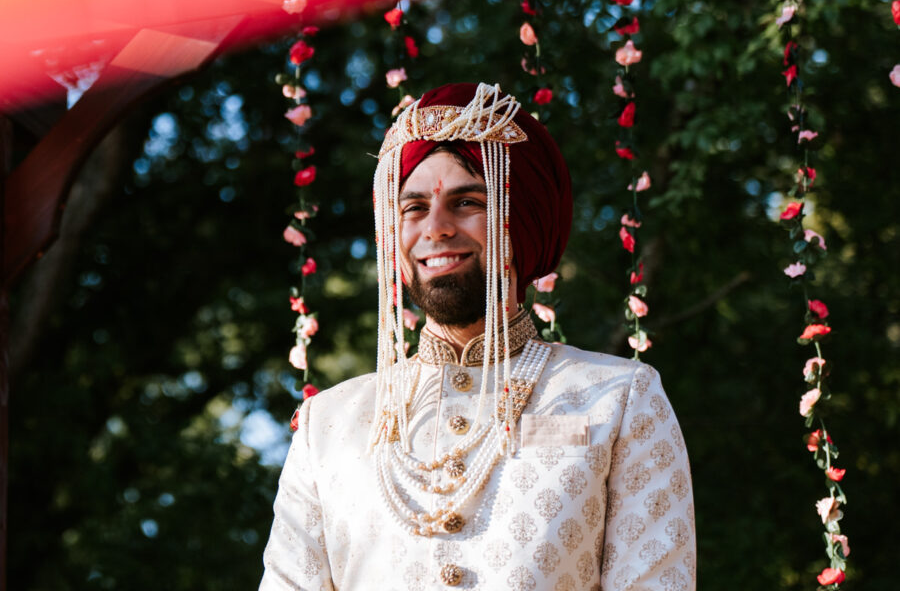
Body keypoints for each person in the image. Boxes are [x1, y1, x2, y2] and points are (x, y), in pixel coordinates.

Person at [260, 82, 695, 591]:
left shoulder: (618, 398)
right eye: (413, 207)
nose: (436, 228)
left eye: (466, 201)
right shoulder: (329, 426)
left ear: (520, 222)